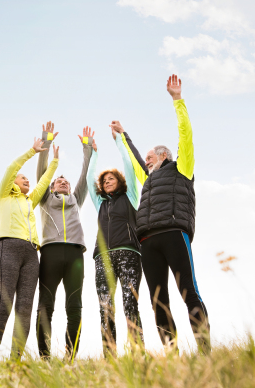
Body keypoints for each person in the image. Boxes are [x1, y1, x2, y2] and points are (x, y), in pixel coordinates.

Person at [111, 74, 211, 353]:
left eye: (150, 157)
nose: (146, 161)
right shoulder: (148, 179)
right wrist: (123, 135)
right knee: (158, 301)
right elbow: (132, 156)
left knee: (188, 293)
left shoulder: (183, 168)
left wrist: (177, 100)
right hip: (148, 241)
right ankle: (172, 351)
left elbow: (185, 135)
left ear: (163, 155)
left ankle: (205, 352)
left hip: (174, 234)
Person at [0, 136, 59, 360]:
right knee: (3, 306)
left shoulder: (29, 201)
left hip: (30, 255)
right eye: (23, 177)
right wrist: (32, 152)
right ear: (13, 182)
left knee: (24, 310)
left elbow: (44, 183)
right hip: (7, 249)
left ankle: (15, 361)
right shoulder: (3, 196)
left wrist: (54, 162)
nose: (26, 179)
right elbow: (11, 168)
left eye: (28, 177)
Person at [35, 122, 94, 360]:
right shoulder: (45, 198)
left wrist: (88, 148)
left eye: (66, 182)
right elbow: (41, 173)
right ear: (50, 187)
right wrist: (46, 141)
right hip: (49, 254)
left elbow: (86, 176)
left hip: (74, 257)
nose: (64, 182)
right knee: (45, 307)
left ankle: (70, 357)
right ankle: (45, 357)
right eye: (59, 181)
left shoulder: (75, 200)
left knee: (75, 308)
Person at [86, 127, 144, 357]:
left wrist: (120, 141)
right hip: (103, 257)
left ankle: (138, 353)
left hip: (129, 253)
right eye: (105, 180)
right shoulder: (100, 203)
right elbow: (90, 181)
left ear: (119, 181)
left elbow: (129, 167)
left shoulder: (131, 197)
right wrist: (94, 154)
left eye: (111, 178)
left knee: (130, 304)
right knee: (105, 308)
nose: (107, 181)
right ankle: (110, 356)